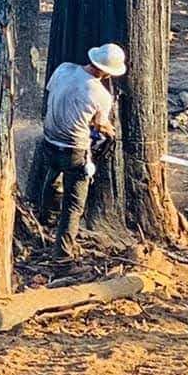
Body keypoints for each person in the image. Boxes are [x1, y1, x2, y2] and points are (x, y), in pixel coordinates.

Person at [41, 43, 126, 260]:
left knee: (52, 179)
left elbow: (54, 93)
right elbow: (100, 125)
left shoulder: (63, 69)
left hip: (49, 143)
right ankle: (63, 255)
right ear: (106, 71)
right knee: (74, 205)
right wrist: (110, 130)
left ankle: (45, 220)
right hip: (75, 153)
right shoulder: (101, 95)